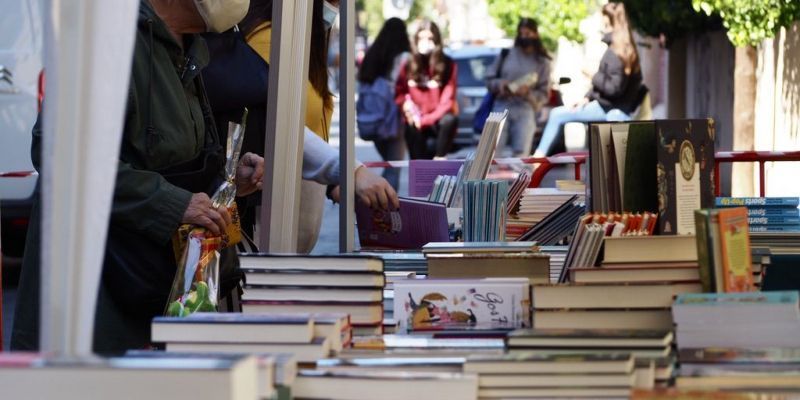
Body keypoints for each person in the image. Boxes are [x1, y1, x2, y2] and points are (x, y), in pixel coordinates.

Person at [12, 0, 259, 354]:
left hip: (148, 289)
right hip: (97, 301)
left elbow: (172, 158)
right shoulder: (109, 43)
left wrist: (230, 182)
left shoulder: (186, 51)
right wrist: (173, 204)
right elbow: (60, 152)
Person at [232, 0, 398, 253]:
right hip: (267, 214)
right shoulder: (270, 38)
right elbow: (278, 125)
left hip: (297, 224)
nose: (337, 7)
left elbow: (306, 127)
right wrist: (347, 171)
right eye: (332, 1)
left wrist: (334, 182)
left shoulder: (304, 43)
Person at [532, 2, 644, 158]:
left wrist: (592, 75)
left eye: (602, 21)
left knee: (557, 115)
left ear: (608, 21)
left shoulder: (615, 52)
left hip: (611, 111)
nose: (600, 26)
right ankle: (538, 157)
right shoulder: (625, 49)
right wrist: (586, 97)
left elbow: (613, 88)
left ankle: (538, 158)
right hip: (616, 109)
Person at [357, 17, 411, 190]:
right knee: (393, 168)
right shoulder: (402, 58)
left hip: (373, 120)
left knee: (388, 165)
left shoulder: (372, 55)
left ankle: (380, 205)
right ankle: (386, 209)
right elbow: (402, 85)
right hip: (393, 121)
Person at [485, 18, 551, 157]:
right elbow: (489, 80)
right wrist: (500, 84)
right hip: (501, 106)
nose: (524, 37)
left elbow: (544, 94)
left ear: (535, 34)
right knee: (491, 153)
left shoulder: (542, 62)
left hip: (525, 109)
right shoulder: (506, 55)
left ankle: (519, 179)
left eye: (528, 33)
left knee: (520, 156)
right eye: (521, 33)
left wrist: (528, 93)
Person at [395, 20, 458, 160]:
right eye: (422, 38)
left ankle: (439, 160)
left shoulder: (448, 64)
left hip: (437, 123)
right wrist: (408, 110)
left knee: (450, 119)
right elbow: (399, 93)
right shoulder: (408, 64)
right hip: (415, 125)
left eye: (430, 38)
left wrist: (426, 120)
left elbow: (448, 101)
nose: (426, 42)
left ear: (436, 40)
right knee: (419, 165)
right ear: (416, 40)